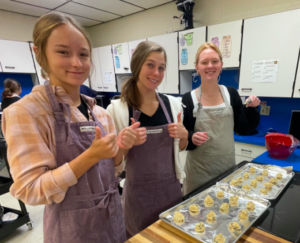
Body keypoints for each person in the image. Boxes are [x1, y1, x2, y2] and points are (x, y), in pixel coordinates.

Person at [1, 12, 139, 243]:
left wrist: (119, 149)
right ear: (40, 53)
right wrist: (90, 156)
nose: (77, 62)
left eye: (83, 54)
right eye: (63, 52)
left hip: (113, 219)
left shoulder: (101, 114)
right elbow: (30, 190)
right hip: (73, 231)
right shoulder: (26, 113)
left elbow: (113, 172)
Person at [107, 41, 187, 238]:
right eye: (150, 65)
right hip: (137, 197)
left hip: (171, 191)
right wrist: (124, 145)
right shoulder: (117, 110)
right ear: (137, 65)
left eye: (161, 68)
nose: (156, 73)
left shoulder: (174, 105)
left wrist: (184, 135)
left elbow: (181, 147)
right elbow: (113, 163)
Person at [182, 43, 260, 195]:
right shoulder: (188, 98)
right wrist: (191, 137)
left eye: (214, 61)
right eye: (204, 62)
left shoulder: (231, 94)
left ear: (221, 65)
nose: (210, 66)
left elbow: (243, 129)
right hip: (198, 172)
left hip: (226, 168)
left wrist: (251, 109)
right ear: (197, 67)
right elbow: (183, 138)